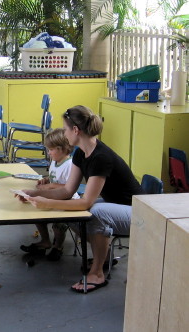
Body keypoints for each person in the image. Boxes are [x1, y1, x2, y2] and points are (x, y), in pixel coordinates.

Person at [15, 105, 143, 293]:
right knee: (72, 215)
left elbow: (86, 202)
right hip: (117, 207)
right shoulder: (81, 153)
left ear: (76, 130)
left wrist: (47, 202)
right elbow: (67, 191)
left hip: (138, 213)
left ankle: (97, 274)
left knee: (96, 213)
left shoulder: (100, 157)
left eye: (66, 129)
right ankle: (105, 257)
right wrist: (33, 193)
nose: (64, 134)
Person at [19, 128, 80, 261]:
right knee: (37, 215)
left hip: (67, 202)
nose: (49, 153)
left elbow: (70, 187)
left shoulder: (70, 164)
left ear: (61, 149)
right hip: (53, 198)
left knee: (58, 225)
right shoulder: (55, 161)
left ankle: (58, 246)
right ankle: (45, 241)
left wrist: (51, 185)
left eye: (51, 149)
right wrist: (46, 180)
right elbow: (54, 177)